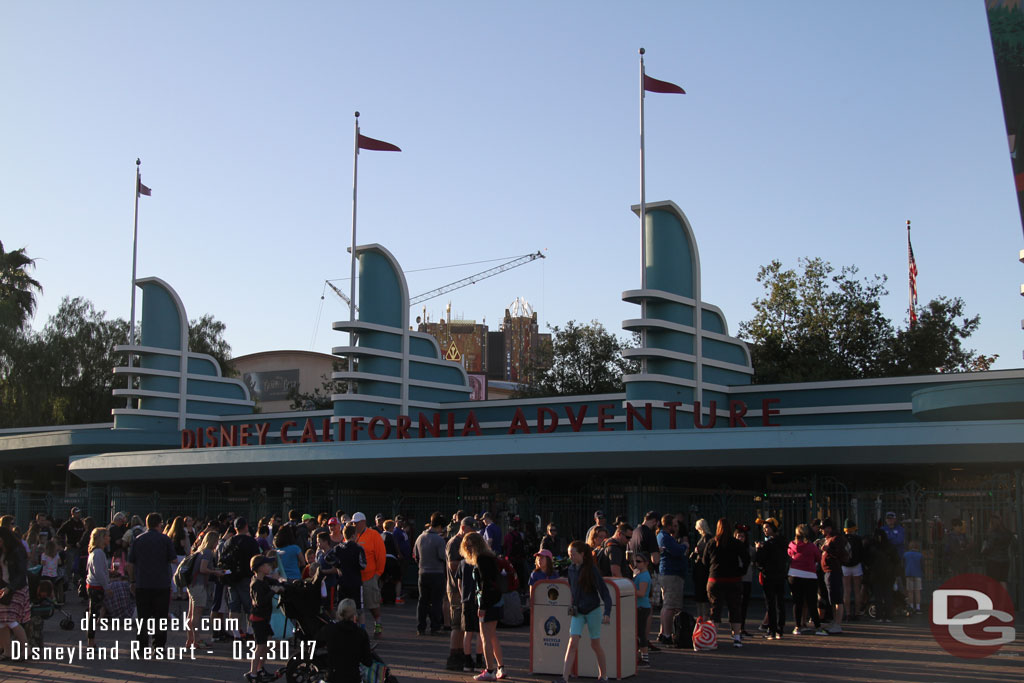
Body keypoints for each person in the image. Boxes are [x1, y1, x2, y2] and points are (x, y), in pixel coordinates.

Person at [552, 540, 612, 683]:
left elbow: (604, 592)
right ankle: (564, 678)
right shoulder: (571, 569)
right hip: (578, 611)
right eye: (569, 554)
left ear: (582, 554)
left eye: (573, 554)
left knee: (595, 644)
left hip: (593, 610)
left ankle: (603, 675)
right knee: (572, 642)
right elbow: (573, 589)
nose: (570, 557)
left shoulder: (591, 570)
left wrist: (607, 612)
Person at [128, 512, 177, 648]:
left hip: (142, 583)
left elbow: (130, 563)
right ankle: (158, 646)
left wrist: (132, 581)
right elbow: (173, 559)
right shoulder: (165, 540)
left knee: (143, 618)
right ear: (159, 524)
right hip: (161, 584)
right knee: (160, 617)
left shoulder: (138, 539)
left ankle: (142, 646)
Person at [461, 531, 506, 681]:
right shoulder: (490, 557)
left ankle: (490, 670)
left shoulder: (481, 559)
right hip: (497, 599)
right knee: (493, 636)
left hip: (488, 601)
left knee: (485, 635)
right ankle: (500, 667)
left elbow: (485, 584)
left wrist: (483, 606)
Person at [702, 518, 750, 648]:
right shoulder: (736, 543)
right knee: (735, 608)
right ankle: (737, 637)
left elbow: (704, 561)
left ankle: (713, 638)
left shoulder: (712, 543)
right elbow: (746, 558)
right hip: (733, 579)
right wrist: (741, 571)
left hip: (715, 579)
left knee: (715, 609)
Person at [219, 517, 261, 640]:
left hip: (231, 577)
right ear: (246, 526)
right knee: (249, 605)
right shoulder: (251, 542)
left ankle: (236, 633)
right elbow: (256, 559)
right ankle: (250, 630)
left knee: (234, 606)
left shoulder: (229, 542)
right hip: (247, 576)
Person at [317, 598, 374, 683]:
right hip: (353, 677)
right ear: (354, 613)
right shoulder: (361, 633)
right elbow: (368, 661)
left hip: (333, 676)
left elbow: (317, 643)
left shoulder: (330, 629)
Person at [247, 555, 284, 683]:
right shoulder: (256, 584)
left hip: (264, 618)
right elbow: (260, 601)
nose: (270, 567)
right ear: (261, 568)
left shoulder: (264, 580)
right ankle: (253, 673)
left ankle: (260, 668)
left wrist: (280, 584)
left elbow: (275, 583)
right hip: (258, 618)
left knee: (266, 643)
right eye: (268, 565)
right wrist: (273, 592)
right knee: (260, 646)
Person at [187, 529, 226, 649]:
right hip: (199, 585)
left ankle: (190, 639)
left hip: (192, 584)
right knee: (197, 614)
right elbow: (203, 569)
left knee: (191, 614)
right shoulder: (208, 553)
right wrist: (215, 572)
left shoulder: (200, 551)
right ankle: (197, 640)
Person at [445, 516, 475, 672]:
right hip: (456, 589)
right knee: (457, 622)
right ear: (463, 528)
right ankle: (454, 655)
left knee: (462, 623)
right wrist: (469, 562)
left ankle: (460, 653)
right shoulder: (455, 543)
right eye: (471, 530)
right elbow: (453, 566)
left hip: (462, 589)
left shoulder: (461, 542)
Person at [352, 512, 386, 638]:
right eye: (353, 523)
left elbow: (381, 555)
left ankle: (378, 627)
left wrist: (378, 574)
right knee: (356, 608)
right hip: (355, 578)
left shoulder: (374, 535)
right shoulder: (351, 535)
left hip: (369, 577)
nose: (354, 525)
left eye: (356, 523)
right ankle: (359, 632)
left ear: (363, 522)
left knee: (373, 606)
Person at [413, 512, 447, 637]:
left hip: (422, 573)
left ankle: (420, 627)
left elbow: (415, 555)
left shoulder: (420, 538)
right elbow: (442, 557)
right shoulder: (439, 540)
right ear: (439, 526)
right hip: (437, 573)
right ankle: (435, 627)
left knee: (422, 601)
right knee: (436, 602)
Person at [787, 523, 824, 635]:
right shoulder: (811, 546)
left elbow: (789, 554)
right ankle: (818, 627)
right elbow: (818, 557)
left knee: (797, 602)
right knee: (812, 602)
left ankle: (798, 626)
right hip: (809, 575)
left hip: (794, 574)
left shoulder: (792, 545)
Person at [656, 514, 686, 644]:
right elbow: (676, 550)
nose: (676, 528)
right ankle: (667, 634)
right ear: (668, 526)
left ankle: (664, 632)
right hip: (671, 574)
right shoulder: (665, 537)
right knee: (670, 606)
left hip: (670, 573)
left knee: (668, 605)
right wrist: (684, 545)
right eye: (674, 525)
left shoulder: (665, 537)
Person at [755, 519, 787, 640]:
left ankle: (772, 629)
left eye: (767, 527)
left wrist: (759, 549)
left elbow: (760, 560)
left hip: (769, 575)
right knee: (780, 602)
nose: (765, 530)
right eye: (764, 528)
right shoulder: (783, 541)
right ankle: (780, 628)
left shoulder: (768, 544)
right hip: (780, 575)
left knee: (771, 603)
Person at [0, 527, 29, 659]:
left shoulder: (17, 551)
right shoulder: (3, 550)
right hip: (5, 587)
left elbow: (21, 573)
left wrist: (10, 588)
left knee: (11, 620)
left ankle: (26, 650)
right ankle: (7, 651)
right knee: (1, 622)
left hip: (17, 588)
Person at [819, 518, 846, 633]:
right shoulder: (828, 539)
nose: (821, 530)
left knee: (837, 599)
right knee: (832, 599)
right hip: (828, 572)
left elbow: (840, 554)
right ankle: (835, 622)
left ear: (829, 528)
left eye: (823, 528)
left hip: (833, 571)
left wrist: (828, 549)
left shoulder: (836, 539)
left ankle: (838, 623)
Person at [863, 528, 896, 622]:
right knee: (888, 595)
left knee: (878, 596)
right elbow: (896, 560)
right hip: (888, 574)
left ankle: (879, 615)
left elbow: (866, 560)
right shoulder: (890, 546)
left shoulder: (871, 547)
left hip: (876, 574)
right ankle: (889, 615)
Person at [85, 527, 110, 647]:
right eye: (107, 536)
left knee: (93, 614)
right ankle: (91, 641)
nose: (109, 538)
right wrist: (107, 587)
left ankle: (91, 640)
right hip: (96, 587)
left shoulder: (94, 552)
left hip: (92, 585)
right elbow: (99, 572)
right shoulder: (99, 553)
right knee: (93, 615)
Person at [980, 512, 1014, 591]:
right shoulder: (1008, 532)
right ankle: (1004, 601)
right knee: (1003, 581)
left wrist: (983, 552)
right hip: (1005, 559)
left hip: (993, 561)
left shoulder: (992, 533)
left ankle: (993, 600)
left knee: (991, 582)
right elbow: (1014, 543)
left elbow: (989, 547)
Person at [734, 523, 755, 636]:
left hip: (747, 578)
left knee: (745, 604)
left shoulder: (750, 549)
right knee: (735, 603)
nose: (741, 538)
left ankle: (742, 627)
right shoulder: (732, 548)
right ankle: (735, 628)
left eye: (742, 536)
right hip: (736, 578)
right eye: (738, 536)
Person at [689, 517, 713, 620]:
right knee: (701, 594)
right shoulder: (705, 537)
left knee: (702, 594)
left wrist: (697, 551)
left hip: (702, 569)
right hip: (701, 569)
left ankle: (703, 616)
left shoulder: (706, 538)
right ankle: (702, 615)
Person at [841, 519, 864, 620]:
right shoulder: (858, 539)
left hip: (845, 566)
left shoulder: (842, 539)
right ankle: (857, 613)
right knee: (857, 590)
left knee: (847, 590)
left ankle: (848, 613)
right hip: (856, 566)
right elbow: (861, 552)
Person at [633, 552, 652, 667]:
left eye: (639, 561)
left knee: (641, 632)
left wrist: (630, 590)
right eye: (636, 561)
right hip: (640, 606)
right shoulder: (640, 575)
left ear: (646, 563)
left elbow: (642, 592)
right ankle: (642, 656)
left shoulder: (644, 576)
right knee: (639, 632)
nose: (637, 564)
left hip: (642, 606)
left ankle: (645, 658)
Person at [40, 538, 65, 605]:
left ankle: (49, 600)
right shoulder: (56, 555)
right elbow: (59, 563)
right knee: (53, 587)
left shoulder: (44, 555)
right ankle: (55, 599)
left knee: (46, 588)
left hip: (45, 574)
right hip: (54, 574)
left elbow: (43, 563)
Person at [903, 540, 923, 614]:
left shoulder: (905, 554)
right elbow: (922, 565)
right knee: (917, 591)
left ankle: (911, 606)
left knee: (910, 592)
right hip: (918, 574)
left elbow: (904, 564)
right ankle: (918, 607)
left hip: (908, 574)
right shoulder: (920, 555)